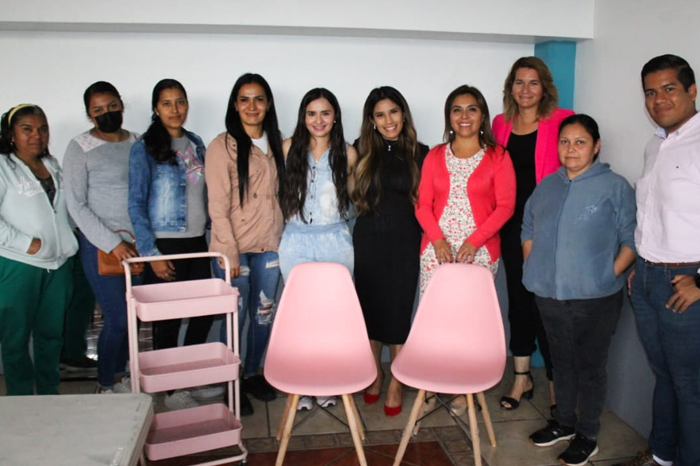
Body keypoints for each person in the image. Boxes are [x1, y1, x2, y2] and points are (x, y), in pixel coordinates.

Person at [523, 114, 636, 466]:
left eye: (580, 142)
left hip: (596, 299)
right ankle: (564, 423)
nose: (571, 149)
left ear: (596, 146)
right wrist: (534, 264)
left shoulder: (615, 187)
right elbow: (528, 227)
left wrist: (605, 276)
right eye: (565, 142)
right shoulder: (548, 186)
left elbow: (631, 240)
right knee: (561, 362)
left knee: (590, 367)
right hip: (549, 296)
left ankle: (587, 434)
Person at [618, 54, 700, 466]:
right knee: (664, 375)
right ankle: (662, 456)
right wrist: (640, 263)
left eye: (669, 89)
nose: (658, 100)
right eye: (650, 92)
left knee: (690, 385)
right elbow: (653, 215)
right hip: (648, 278)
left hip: (685, 283)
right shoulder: (656, 145)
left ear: (692, 91)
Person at [416, 84, 515, 415]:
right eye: (457, 109)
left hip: (480, 251)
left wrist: (474, 241)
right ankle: (430, 384)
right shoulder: (434, 155)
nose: (464, 116)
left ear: (482, 114)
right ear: (449, 116)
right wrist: (438, 240)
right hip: (437, 250)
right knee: (435, 320)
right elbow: (422, 205)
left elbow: (506, 206)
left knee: (469, 322)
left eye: (471, 108)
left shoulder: (498, 156)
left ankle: (464, 389)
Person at [492, 56, 575, 411]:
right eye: (519, 82)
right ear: (511, 87)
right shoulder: (500, 124)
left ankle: (557, 386)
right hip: (511, 225)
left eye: (533, 82)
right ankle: (521, 377)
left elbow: (574, 167)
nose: (525, 89)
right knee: (519, 301)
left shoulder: (562, 120)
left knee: (548, 306)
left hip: (549, 226)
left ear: (545, 88)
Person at [128, 79, 212, 410]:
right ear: (155, 108)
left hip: (198, 243)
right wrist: (151, 254)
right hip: (165, 246)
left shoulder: (196, 143)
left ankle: (187, 378)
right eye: (166, 103)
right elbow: (136, 203)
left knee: (203, 315)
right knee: (168, 321)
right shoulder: (144, 148)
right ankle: (171, 389)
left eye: (180, 102)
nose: (175, 109)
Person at [206, 73, 285, 416]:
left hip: (269, 246)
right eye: (244, 99)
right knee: (234, 319)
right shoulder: (221, 146)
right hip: (234, 250)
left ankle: (252, 373)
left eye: (259, 99)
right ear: (235, 105)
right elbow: (217, 206)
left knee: (263, 315)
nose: (252, 106)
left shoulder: (278, 144)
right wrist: (228, 253)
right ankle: (231, 380)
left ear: (268, 104)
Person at [351, 86, 428, 417]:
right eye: (380, 115)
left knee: (397, 311)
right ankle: (374, 373)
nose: (388, 120)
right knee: (369, 310)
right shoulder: (359, 150)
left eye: (393, 112)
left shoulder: (421, 153)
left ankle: (396, 379)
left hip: (405, 241)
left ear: (403, 114)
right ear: (372, 120)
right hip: (368, 240)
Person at [279, 88, 358, 411]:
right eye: (311, 113)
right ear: (303, 117)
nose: (318, 120)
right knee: (299, 316)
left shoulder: (348, 153)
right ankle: (301, 385)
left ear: (335, 116)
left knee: (332, 315)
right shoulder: (288, 148)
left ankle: (327, 383)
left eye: (325, 112)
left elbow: (354, 197)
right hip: (295, 240)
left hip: (334, 240)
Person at [64, 81, 141, 393]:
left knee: (134, 317)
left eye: (112, 106)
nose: (106, 113)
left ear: (121, 105)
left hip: (139, 245)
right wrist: (113, 243)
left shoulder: (138, 141)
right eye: (97, 110)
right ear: (89, 114)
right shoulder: (79, 147)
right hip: (101, 246)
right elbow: (76, 205)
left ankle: (122, 376)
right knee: (117, 318)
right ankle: (105, 383)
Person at [0, 104, 78, 395]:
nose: (37, 135)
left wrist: (69, 237)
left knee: (51, 334)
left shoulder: (52, 164)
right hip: (19, 264)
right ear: (11, 134)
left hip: (59, 265)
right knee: (16, 337)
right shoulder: (3, 167)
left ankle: (49, 393)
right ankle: (20, 396)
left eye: (42, 129)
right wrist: (25, 243)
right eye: (27, 129)